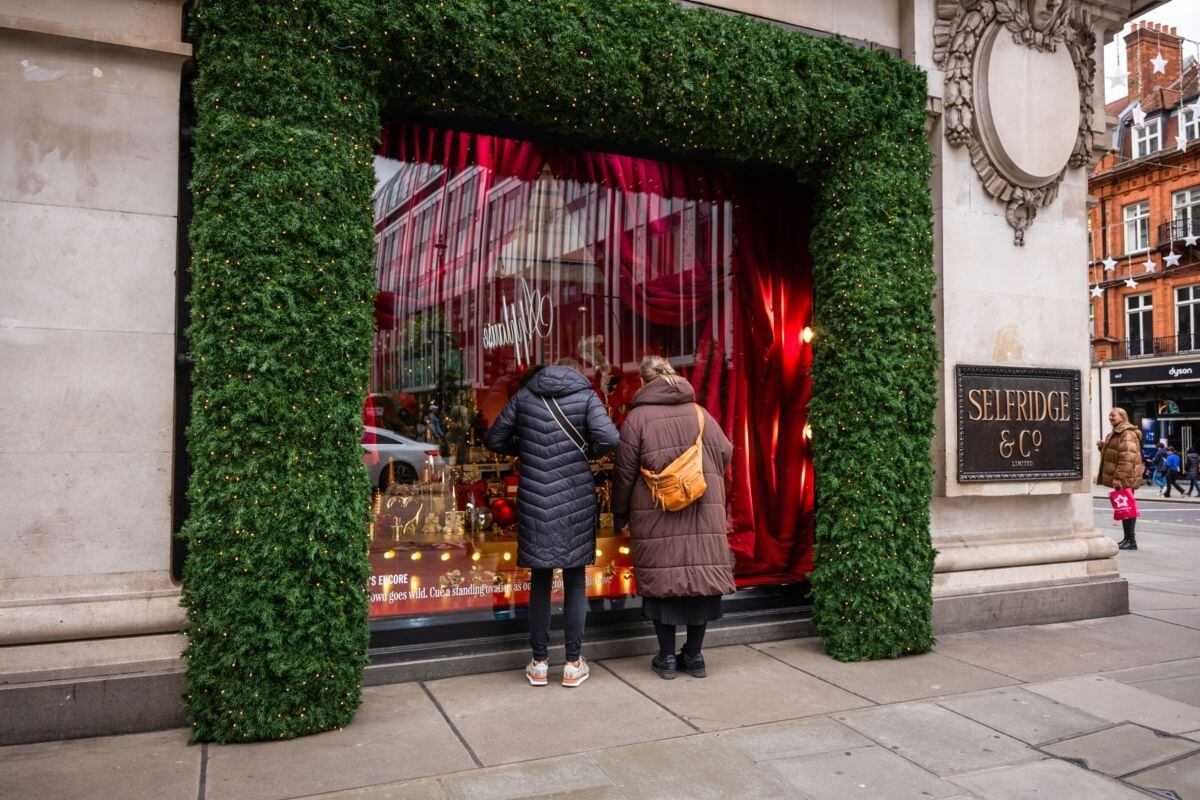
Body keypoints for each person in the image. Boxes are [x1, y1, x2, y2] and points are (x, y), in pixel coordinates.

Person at [484, 361, 619, 687]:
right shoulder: (586, 396)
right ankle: (572, 664)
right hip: (575, 497)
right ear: (576, 375)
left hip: (535, 498)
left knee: (540, 581)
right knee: (575, 581)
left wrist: (525, 450)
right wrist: (586, 452)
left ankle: (539, 663)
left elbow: (494, 438)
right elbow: (609, 437)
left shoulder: (524, 396)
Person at [611, 355, 736, 680]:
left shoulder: (637, 419)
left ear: (643, 381)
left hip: (656, 512)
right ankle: (694, 657)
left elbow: (623, 474)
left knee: (662, 582)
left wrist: (619, 514)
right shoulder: (700, 413)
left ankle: (666, 657)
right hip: (703, 510)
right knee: (701, 582)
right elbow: (725, 452)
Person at [1096, 407, 1145, 550]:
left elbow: (1127, 457)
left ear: (1122, 417)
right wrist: (1103, 447)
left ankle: (1131, 541)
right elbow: (1115, 453)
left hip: (1126, 477)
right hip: (1124, 477)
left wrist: (1118, 477)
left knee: (1127, 508)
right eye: (1109, 415)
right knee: (1124, 508)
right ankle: (1127, 539)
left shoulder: (1127, 433)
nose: (1110, 417)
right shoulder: (1117, 432)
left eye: (1113, 415)